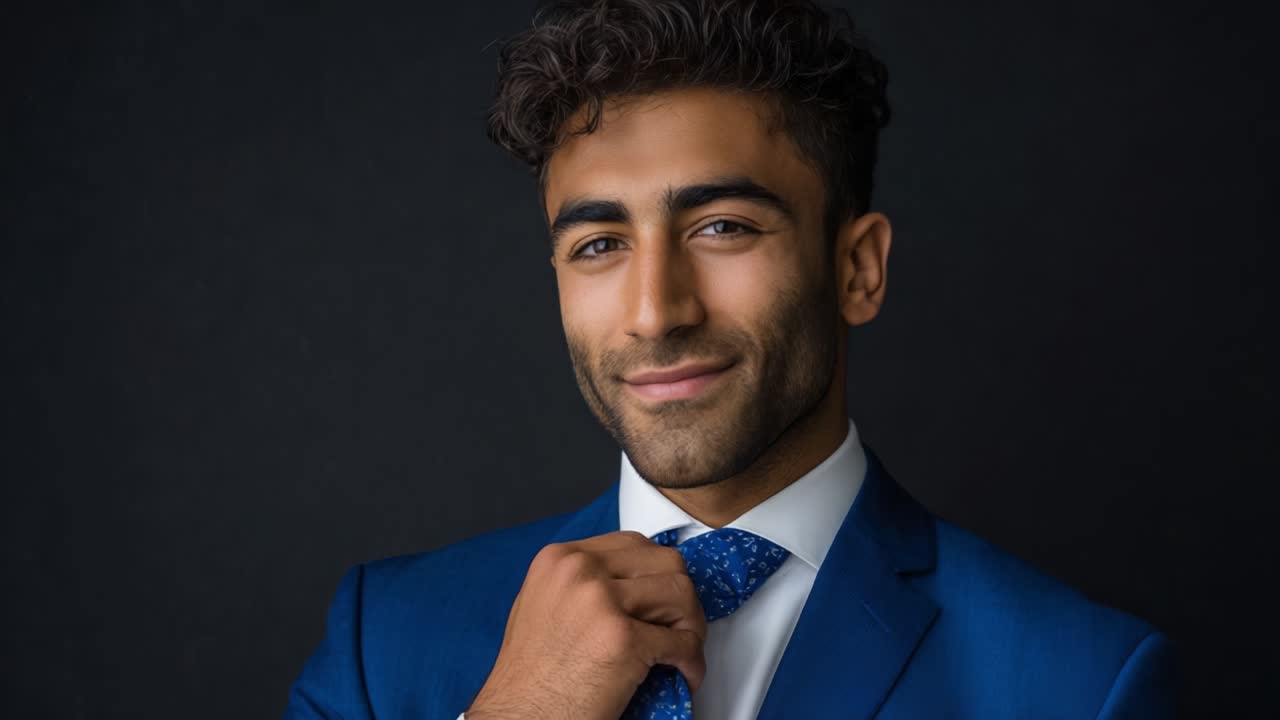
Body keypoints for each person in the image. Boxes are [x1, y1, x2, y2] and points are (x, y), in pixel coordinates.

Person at [283, 1, 1174, 718]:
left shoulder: (1081, 684)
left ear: (857, 269)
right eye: (599, 244)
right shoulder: (380, 643)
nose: (654, 312)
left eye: (722, 228)